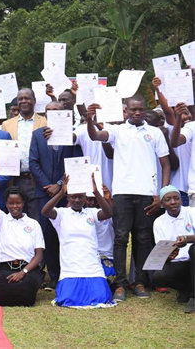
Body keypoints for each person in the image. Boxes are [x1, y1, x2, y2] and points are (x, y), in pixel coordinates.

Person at [86, 96, 171, 301]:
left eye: (141, 109)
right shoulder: (118, 130)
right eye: (133, 109)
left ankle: (139, 282)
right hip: (122, 192)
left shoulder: (155, 132)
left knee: (142, 239)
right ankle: (120, 284)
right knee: (121, 238)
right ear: (126, 110)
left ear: (144, 110)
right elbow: (96, 136)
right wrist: (89, 119)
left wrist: (162, 193)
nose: (137, 112)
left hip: (147, 193)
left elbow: (166, 164)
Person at [29, 101, 84, 289]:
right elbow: (33, 162)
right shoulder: (37, 135)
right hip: (45, 194)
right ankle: (53, 276)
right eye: (49, 111)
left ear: (65, 113)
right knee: (48, 235)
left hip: (69, 194)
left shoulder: (73, 135)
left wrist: (60, 185)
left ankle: (69, 273)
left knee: (68, 234)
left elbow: (77, 161)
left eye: (57, 111)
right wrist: (47, 185)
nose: (52, 113)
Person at [41, 175, 115, 308]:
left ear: (85, 199)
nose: (76, 200)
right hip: (71, 268)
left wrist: (96, 192)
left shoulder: (92, 213)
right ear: (68, 197)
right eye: (73, 196)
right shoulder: (62, 214)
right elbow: (45, 211)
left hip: (92, 267)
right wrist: (61, 193)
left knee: (102, 297)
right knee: (68, 299)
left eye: (80, 197)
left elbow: (108, 213)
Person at [0, 161, 44, 307]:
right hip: (6, 268)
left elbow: (39, 256)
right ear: (6, 204)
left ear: (23, 203)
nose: (14, 206)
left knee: (27, 299)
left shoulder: (33, 224)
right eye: (11, 203)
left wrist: (23, 272)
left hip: (28, 269)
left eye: (18, 202)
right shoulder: (3, 220)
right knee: (0, 298)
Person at [152, 185, 195, 313]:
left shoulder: (191, 212)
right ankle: (186, 290)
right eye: (168, 199)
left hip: (193, 260)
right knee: (159, 276)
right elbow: (161, 249)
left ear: (181, 199)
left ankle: (193, 297)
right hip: (178, 263)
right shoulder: (159, 222)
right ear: (161, 203)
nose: (173, 202)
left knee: (194, 249)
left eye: (176, 198)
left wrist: (187, 239)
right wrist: (170, 254)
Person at [0, 88, 48, 204]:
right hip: (15, 180)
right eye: (20, 99)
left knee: (36, 219)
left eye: (27, 98)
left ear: (34, 101)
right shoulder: (7, 124)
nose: (23, 101)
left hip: (37, 180)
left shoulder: (45, 122)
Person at [86, 184, 115, 279]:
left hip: (107, 256)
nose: (92, 203)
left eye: (96, 200)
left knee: (108, 277)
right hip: (89, 256)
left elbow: (116, 219)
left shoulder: (108, 215)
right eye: (89, 200)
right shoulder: (82, 215)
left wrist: (108, 199)